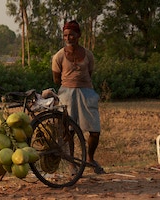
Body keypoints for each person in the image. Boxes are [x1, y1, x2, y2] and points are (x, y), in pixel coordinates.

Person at [51, 20, 105, 174]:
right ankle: (72, 164)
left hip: (87, 93)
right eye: (66, 35)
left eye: (72, 35)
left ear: (78, 35)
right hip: (67, 94)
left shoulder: (88, 54)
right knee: (69, 131)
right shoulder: (59, 56)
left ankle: (90, 158)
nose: (69, 38)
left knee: (94, 131)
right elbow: (56, 78)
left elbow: (89, 73)